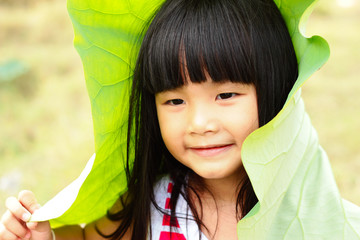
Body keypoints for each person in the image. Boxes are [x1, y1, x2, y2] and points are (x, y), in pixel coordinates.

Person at [1, 0, 359, 239]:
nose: (199, 122)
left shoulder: (314, 214)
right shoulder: (155, 205)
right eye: (174, 100)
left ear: (277, 87)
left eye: (226, 95)